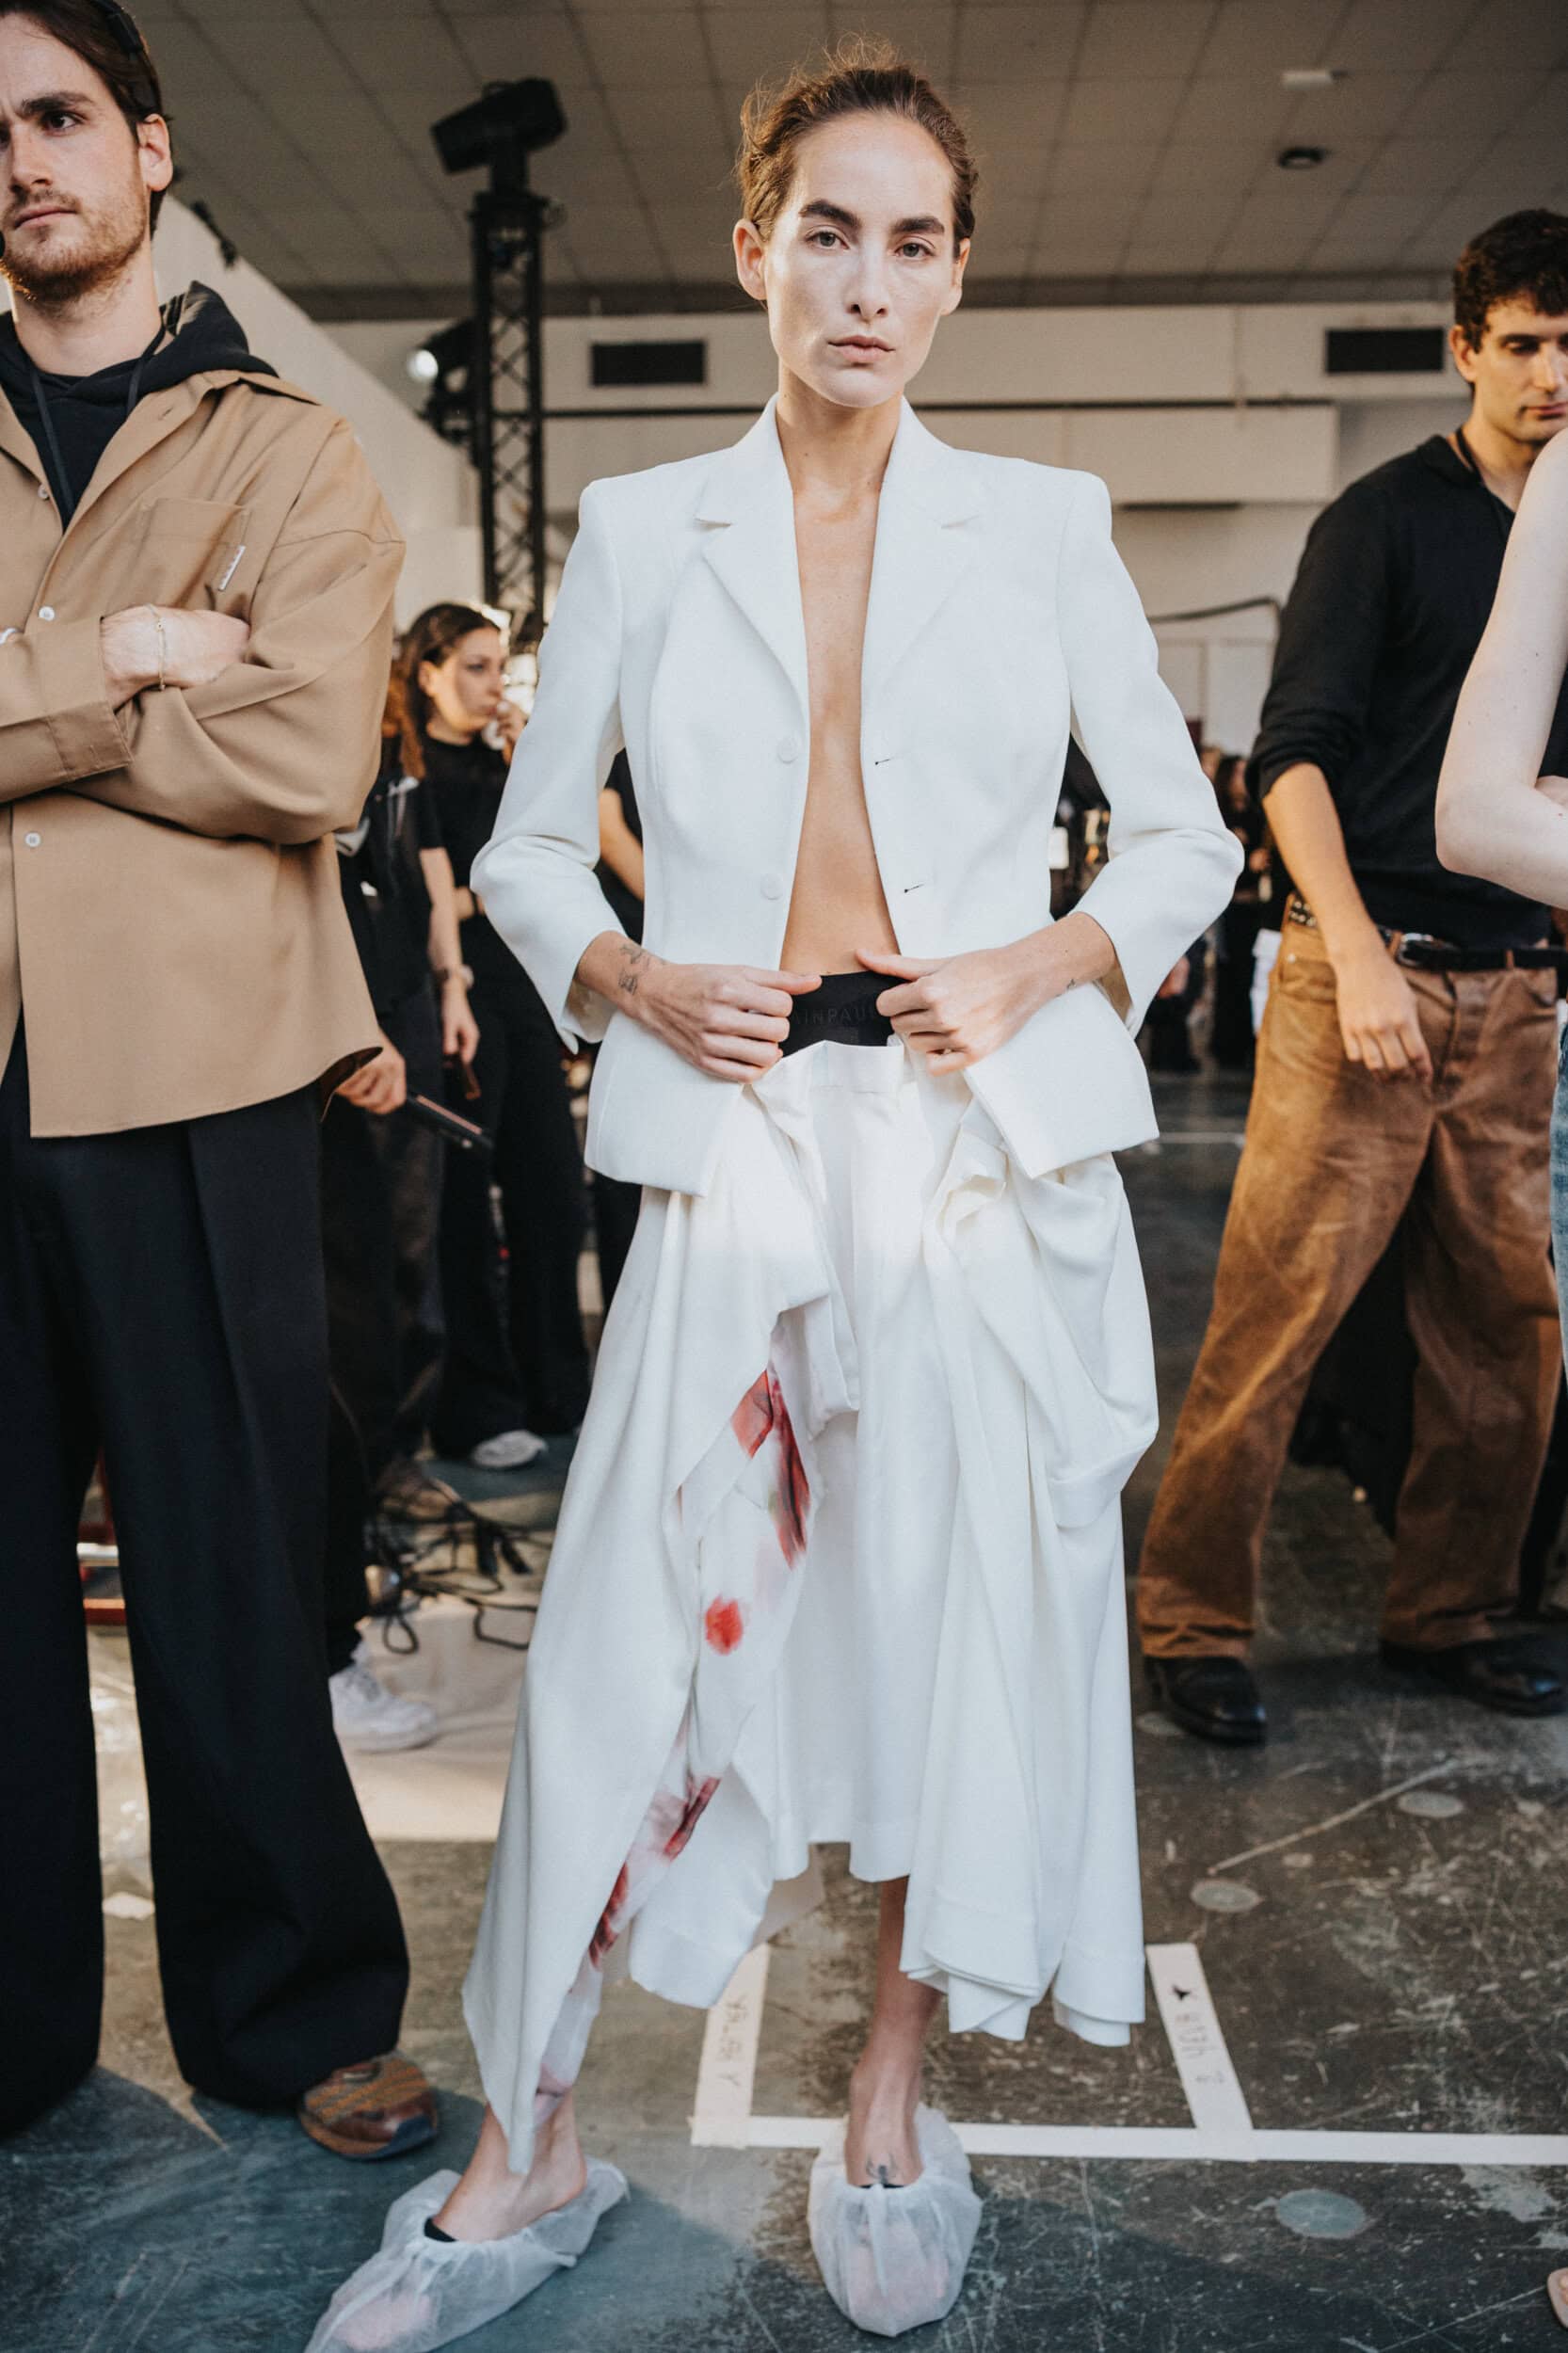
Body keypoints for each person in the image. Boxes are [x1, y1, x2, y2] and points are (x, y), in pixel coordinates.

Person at [309, 40, 1237, 2351]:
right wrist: (629, 972)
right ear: (756, 251)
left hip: (967, 1143)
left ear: (955, 277)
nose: (869, 281)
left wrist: (1041, 955)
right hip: (732, 1137)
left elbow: (1185, 833)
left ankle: (888, 2099)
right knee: (625, 1630)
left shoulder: (1043, 523)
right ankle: (532, 2139)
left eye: (916, 241)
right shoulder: (645, 530)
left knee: (945, 1623)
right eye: (830, 231)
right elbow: (534, 846)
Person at [0, 0, 436, 2159]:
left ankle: (289, 2011)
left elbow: (309, 749)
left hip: (201, 1067)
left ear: (150, 146)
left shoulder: (287, 445)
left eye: (59, 114)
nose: (22, 160)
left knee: (229, 1564)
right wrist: (132, 653)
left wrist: (22, 699)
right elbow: (210, 723)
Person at [1136, 208, 1568, 1747]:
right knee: (1277, 1319)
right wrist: (1358, 954)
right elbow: (1291, 760)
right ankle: (1189, 1622)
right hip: (1360, 974)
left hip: (1517, 991)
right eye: (1523, 343)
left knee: (1504, 1338)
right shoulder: (1383, 521)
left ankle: (1451, 1610)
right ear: (1465, 350)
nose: (1551, 374)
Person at [322, 675, 480, 1752]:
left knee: (379, 1296)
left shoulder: (391, 771)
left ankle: (331, 1627)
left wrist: (445, 987)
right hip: (312, 1054)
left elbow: (413, 880)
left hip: (374, 1031)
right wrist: (338, 1022)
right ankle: (322, 1653)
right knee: (329, 1346)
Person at [406, 602, 593, 1466]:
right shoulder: (408, 770)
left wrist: (529, 768)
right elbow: (429, 897)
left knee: (551, 1193)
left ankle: (561, 1392)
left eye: (497, 668)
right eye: (473, 667)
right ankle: (478, 1408)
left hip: (522, 991)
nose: (491, 685)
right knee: (464, 1209)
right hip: (457, 993)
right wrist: (490, 896)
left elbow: (557, 864)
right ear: (428, 673)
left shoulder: (504, 765)